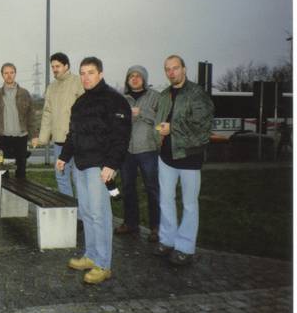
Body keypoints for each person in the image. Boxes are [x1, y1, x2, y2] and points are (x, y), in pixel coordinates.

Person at [57, 56, 131, 284]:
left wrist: (111, 164)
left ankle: (103, 264)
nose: (86, 77)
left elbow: (121, 136)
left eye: (90, 72)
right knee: (87, 212)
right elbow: (73, 134)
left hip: (99, 167)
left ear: (100, 73)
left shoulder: (115, 100)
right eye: (82, 73)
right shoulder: (80, 102)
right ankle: (91, 255)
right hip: (80, 164)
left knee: (100, 215)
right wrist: (63, 157)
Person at [153, 55, 214, 265]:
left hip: (189, 157)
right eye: (167, 69)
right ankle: (167, 240)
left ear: (184, 69)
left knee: (189, 204)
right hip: (166, 157)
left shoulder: (197, 94)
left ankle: (185, 248)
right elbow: (158, 122)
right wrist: (157, 135)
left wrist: (172, 128)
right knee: (166, 200)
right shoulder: (164, 95)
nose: (171, 72)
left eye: (175, 68)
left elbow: (203, 127)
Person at [31, 52, 84, 214]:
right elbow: (47, 114)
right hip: (59, 142)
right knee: (61, 178)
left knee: (78, 179)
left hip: (77, 141)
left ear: (66, 66)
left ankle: (83, 216)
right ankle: (70, 214)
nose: (54, 69)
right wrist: (42, 139)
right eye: (52, 66)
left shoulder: (78, 82)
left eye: (57, 66)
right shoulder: (51, 87)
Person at [114, 65, 161, 242]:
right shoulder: (121, 98)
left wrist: (142, 112)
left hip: (148, 149)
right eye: (131, 76)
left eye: (138, 76)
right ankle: (130, 223)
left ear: (144, 79)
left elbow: (162, 120)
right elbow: (115, 120)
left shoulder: (155, 96)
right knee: (128, 187)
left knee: (152, 188)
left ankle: (156, 227)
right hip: (127, 150)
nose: (134, 79)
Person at [0, 62, 36, 178]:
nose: (9, 75)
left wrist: (34, 135)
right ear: (2, 75)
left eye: (11, 72)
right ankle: (5, 189)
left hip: (21, 137)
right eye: (6, 73)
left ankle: (21, 188)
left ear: (15, 74)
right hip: (3, 138)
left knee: (21, 170)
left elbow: (31, 115)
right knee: (3, 171)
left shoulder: (25, 93)